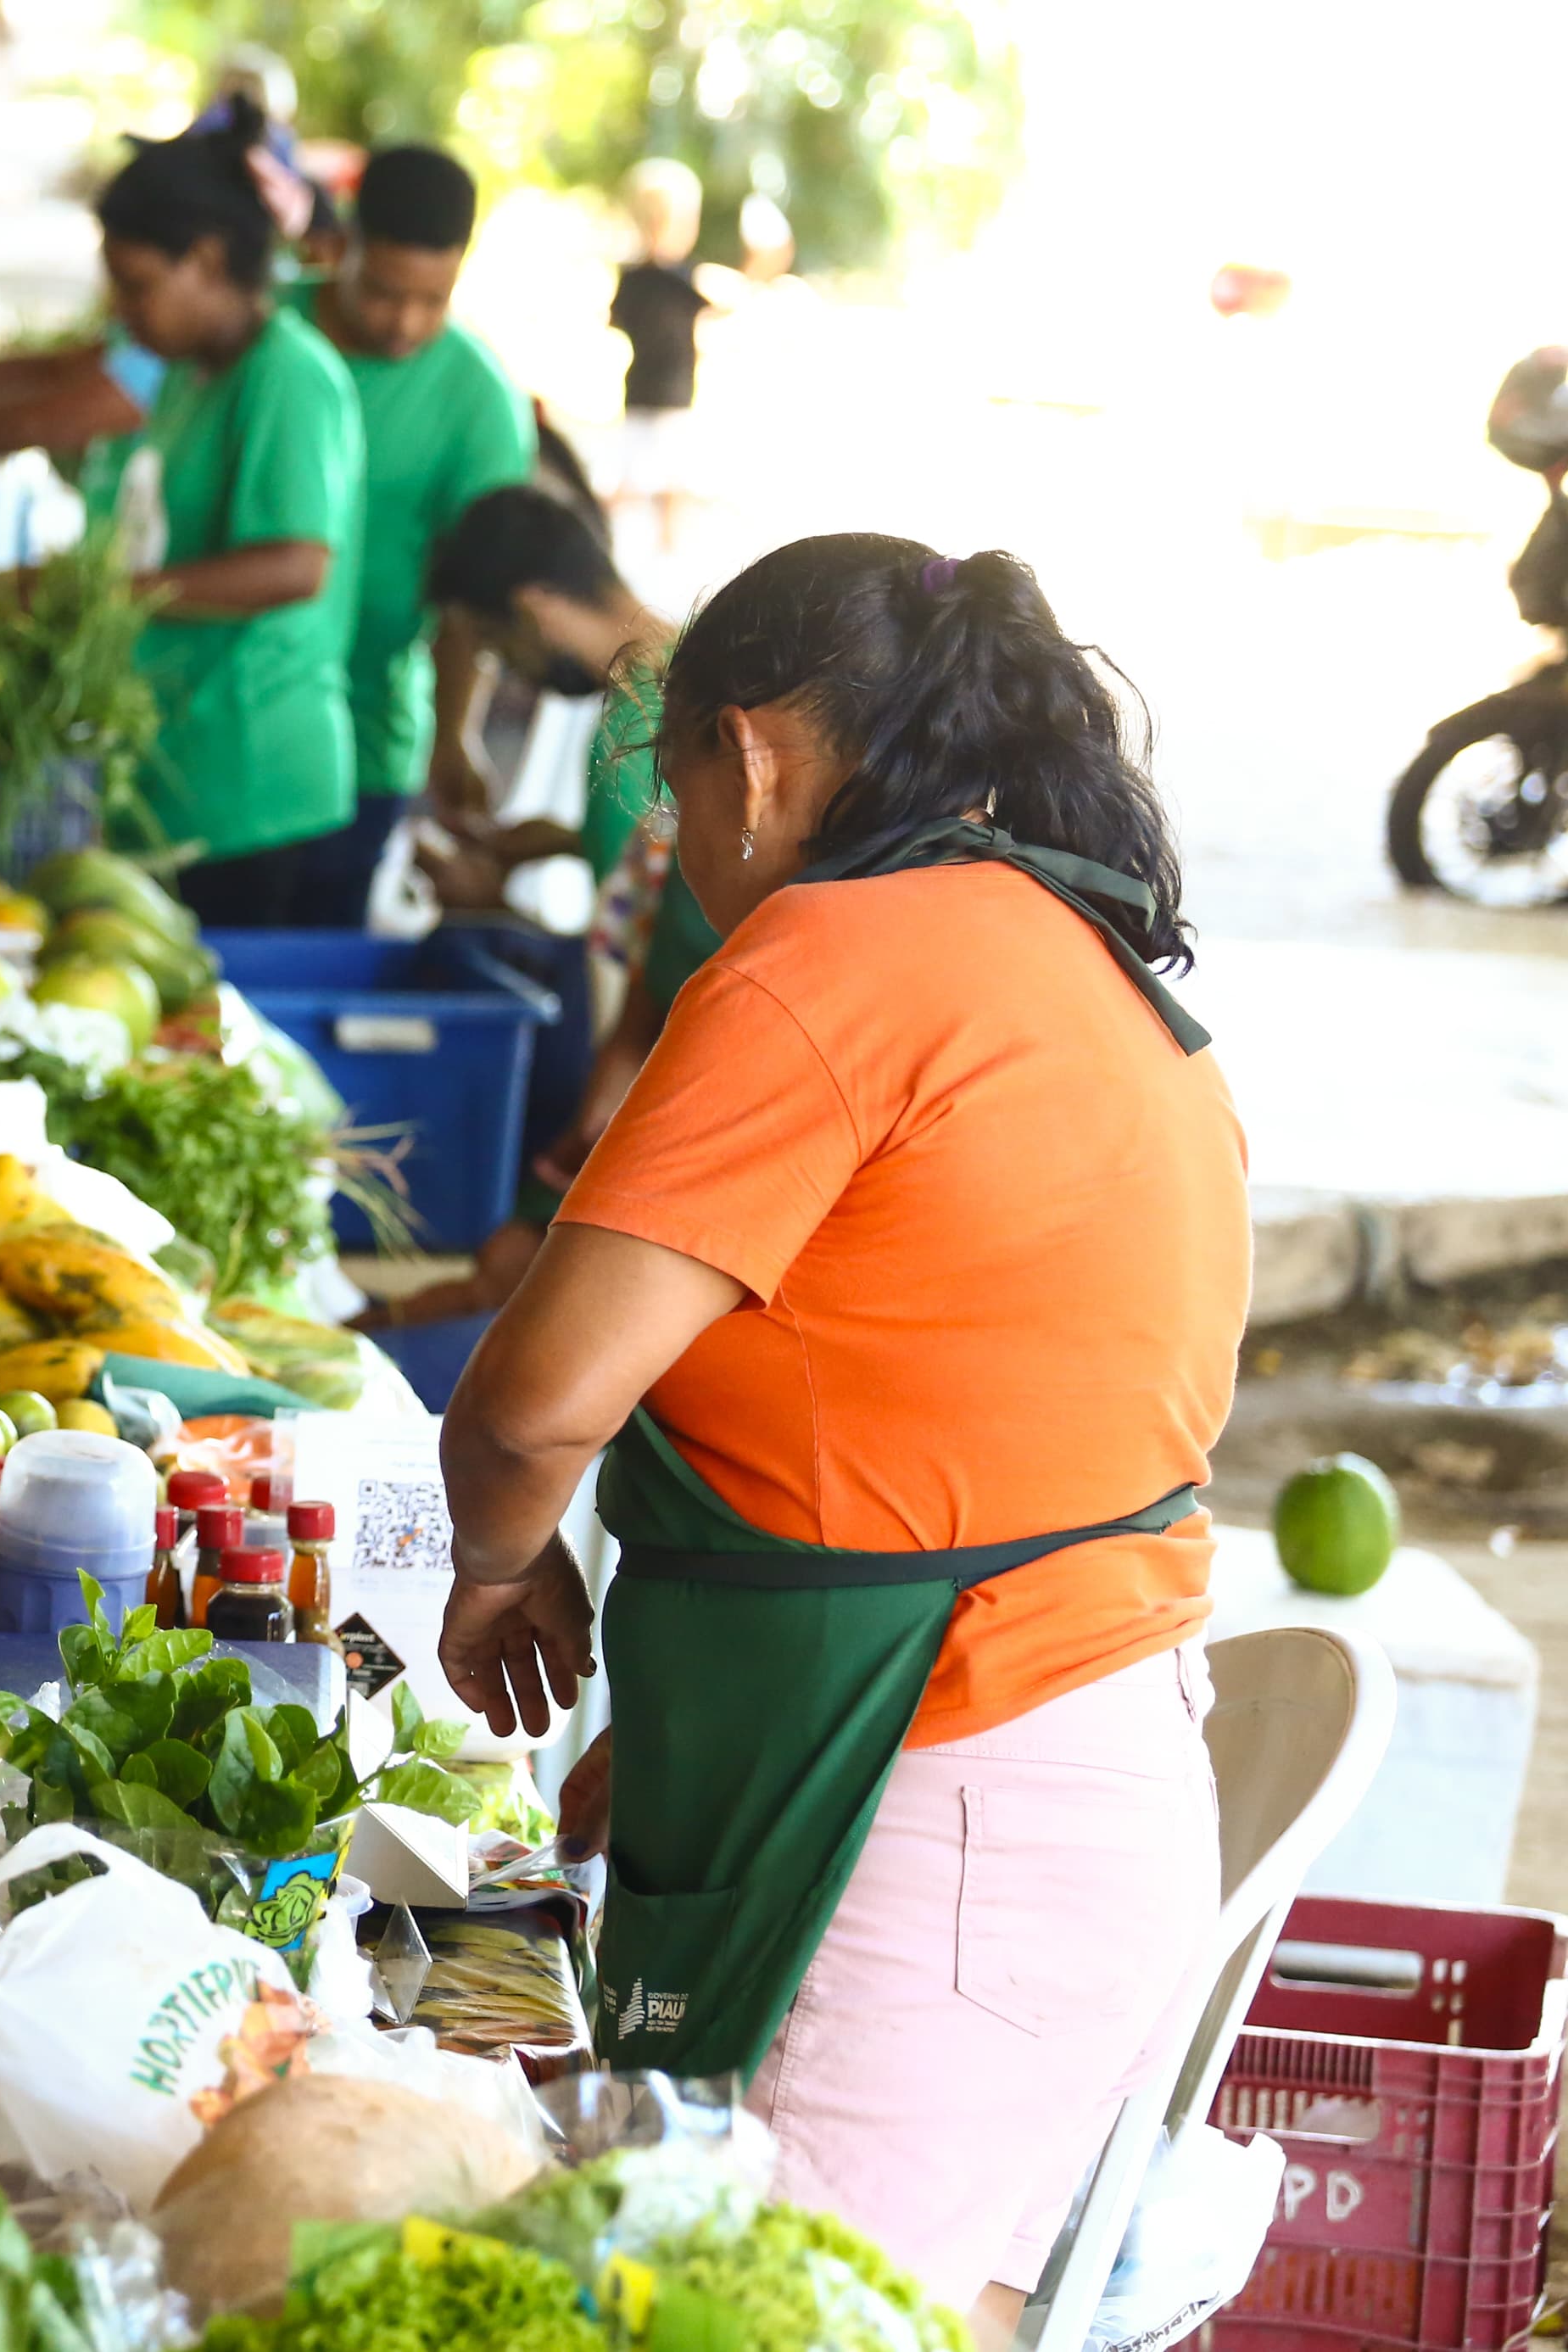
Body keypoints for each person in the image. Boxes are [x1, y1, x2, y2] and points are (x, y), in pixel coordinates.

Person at [433, 535, 1242, 2330]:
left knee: (752, 2317)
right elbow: (931, 1418)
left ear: (752, 751)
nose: (681, 845)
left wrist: (498, 1579)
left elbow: (530, 1408)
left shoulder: (831, 952)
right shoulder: (1081, 964)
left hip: (939, 1822)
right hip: (1064, 1796)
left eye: (672, 791)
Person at [391, 484, 696, 1322]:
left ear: (530, 610)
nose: (505, 666)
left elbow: (624, 961)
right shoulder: (684, 666)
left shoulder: (628, 726)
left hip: (639, 1085)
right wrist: (542, 843)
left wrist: (484, 903)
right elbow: (664, 863)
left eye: (492, 642)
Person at [74, 103, 365, 925]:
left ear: (205, 260)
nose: (122, 310)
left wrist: (102, 596)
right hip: (178, 766)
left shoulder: (286, 376)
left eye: (136, 285)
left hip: (250, 783)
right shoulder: (186, 372)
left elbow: (295, 564)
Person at [300, 143, 535, 928]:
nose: (405, 322)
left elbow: (474, 594)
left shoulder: (479, 400)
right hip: (215, 726)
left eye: (433, 300)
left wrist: (457, 731)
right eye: (382, 292)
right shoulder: (268, 341)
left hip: (367, 739)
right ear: (340, 246)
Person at [610, 158, 712, 555]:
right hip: (659, 391)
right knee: (657, 479)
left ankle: (668, 550)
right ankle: (661, 548)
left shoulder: (675, 277)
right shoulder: (672, 278)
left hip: (659, 390)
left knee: (667, 477)